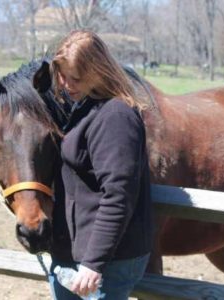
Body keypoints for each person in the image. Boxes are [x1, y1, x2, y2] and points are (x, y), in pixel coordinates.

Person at [48, 29, 153, 300]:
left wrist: (94, 262)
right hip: (81, 252)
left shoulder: (116, 116)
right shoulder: (86, 105)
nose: (67, 84)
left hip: (106, 261)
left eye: (76, 78)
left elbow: (119, 194)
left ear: (98, 71)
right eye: (62, 75)